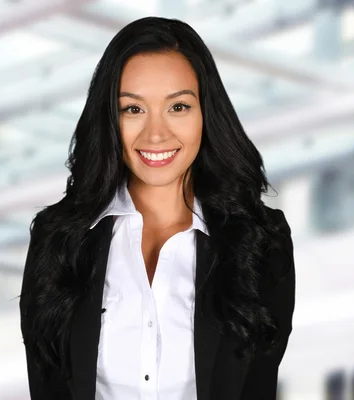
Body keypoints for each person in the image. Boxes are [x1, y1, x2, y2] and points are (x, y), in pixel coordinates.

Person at [19, 16, 295, 400]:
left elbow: (257, 386)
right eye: (133, 110)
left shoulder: (261, 242)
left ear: (206, 114)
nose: (156, 134)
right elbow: (47, 386)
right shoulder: (58, 239)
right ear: (109, 119)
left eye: (178, 107)